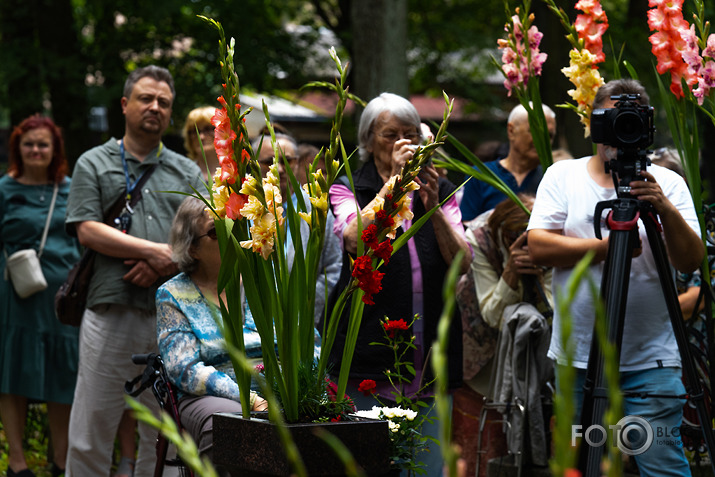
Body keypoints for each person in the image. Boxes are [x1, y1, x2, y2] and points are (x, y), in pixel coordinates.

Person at [527, 78, 703, 476]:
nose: (623, 127)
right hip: (579, 361)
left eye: (633, 118)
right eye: (613, 118)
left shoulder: (668, 183)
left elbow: (690, 262)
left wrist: (664, 209)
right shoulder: (562, 177)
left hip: (651, 364)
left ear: (649, 125)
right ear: (593, 124)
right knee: (582, 466)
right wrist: (605, 249)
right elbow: (538, 246)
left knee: (661, 467)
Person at [64, 65, 203, 477]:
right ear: (125, 105)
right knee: (92, 427)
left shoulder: (189, 172)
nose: (155, 107)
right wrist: (160, 252)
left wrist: (167, 264)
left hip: (173, 319)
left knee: (163, 435)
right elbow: (88, 230)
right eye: (146, 98)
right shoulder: (94, 161)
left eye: (164, 102)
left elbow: (203, 241)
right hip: (110, 311)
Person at [325, 92, 471, 476]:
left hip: (430, 359)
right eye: (391, 134)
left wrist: (433, 202)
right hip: (368, 358)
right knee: (368, 466)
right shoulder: (348, 187)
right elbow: (355, 237)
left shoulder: (439, 187)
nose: (403, 143)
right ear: (368, 140)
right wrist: (393, 185)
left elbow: (462, 261)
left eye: (411, 134)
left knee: (426, 467)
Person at [0, 115, 81, 477]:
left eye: (43, 144)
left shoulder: (71, 189)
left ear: (55, 150)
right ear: (17, 147)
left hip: (61, 301)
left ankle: (61, 459)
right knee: (12, 374)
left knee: (61, 373)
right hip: (14, 297)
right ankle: (17, 462)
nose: (35, 149)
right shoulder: (3, 189)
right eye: (29, 143)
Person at [157, 196, 267, 461]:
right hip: (209, 394)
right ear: (192, 248)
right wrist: (248, 398)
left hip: (274, 389)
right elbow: (184, 369)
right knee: (226, 427)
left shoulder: (260, 283)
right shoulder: (172, 294)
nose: (230, 234)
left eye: (233, 224)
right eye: (216, 231)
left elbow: (308, 343)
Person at [253, 131, 341, 325]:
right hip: (256, 319)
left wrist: (306, 305)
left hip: (303, 322)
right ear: (254, 165)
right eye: (270, 161)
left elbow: (334, 266)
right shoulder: (247, 210)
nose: (280, 169)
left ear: (298, 164)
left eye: (287, 161)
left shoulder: (314, 205)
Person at [459, 103, 557, 222]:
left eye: (549, 136)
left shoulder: (553, 179)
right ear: (511, 131)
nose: (543, 140)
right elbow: (466, 229)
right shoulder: (480, 176)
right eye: (535, 131)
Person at [182, 105, 218, 180]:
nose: (201, 137)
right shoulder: (181, 175)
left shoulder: (237, 174)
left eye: (208, 129)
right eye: (195, 131)